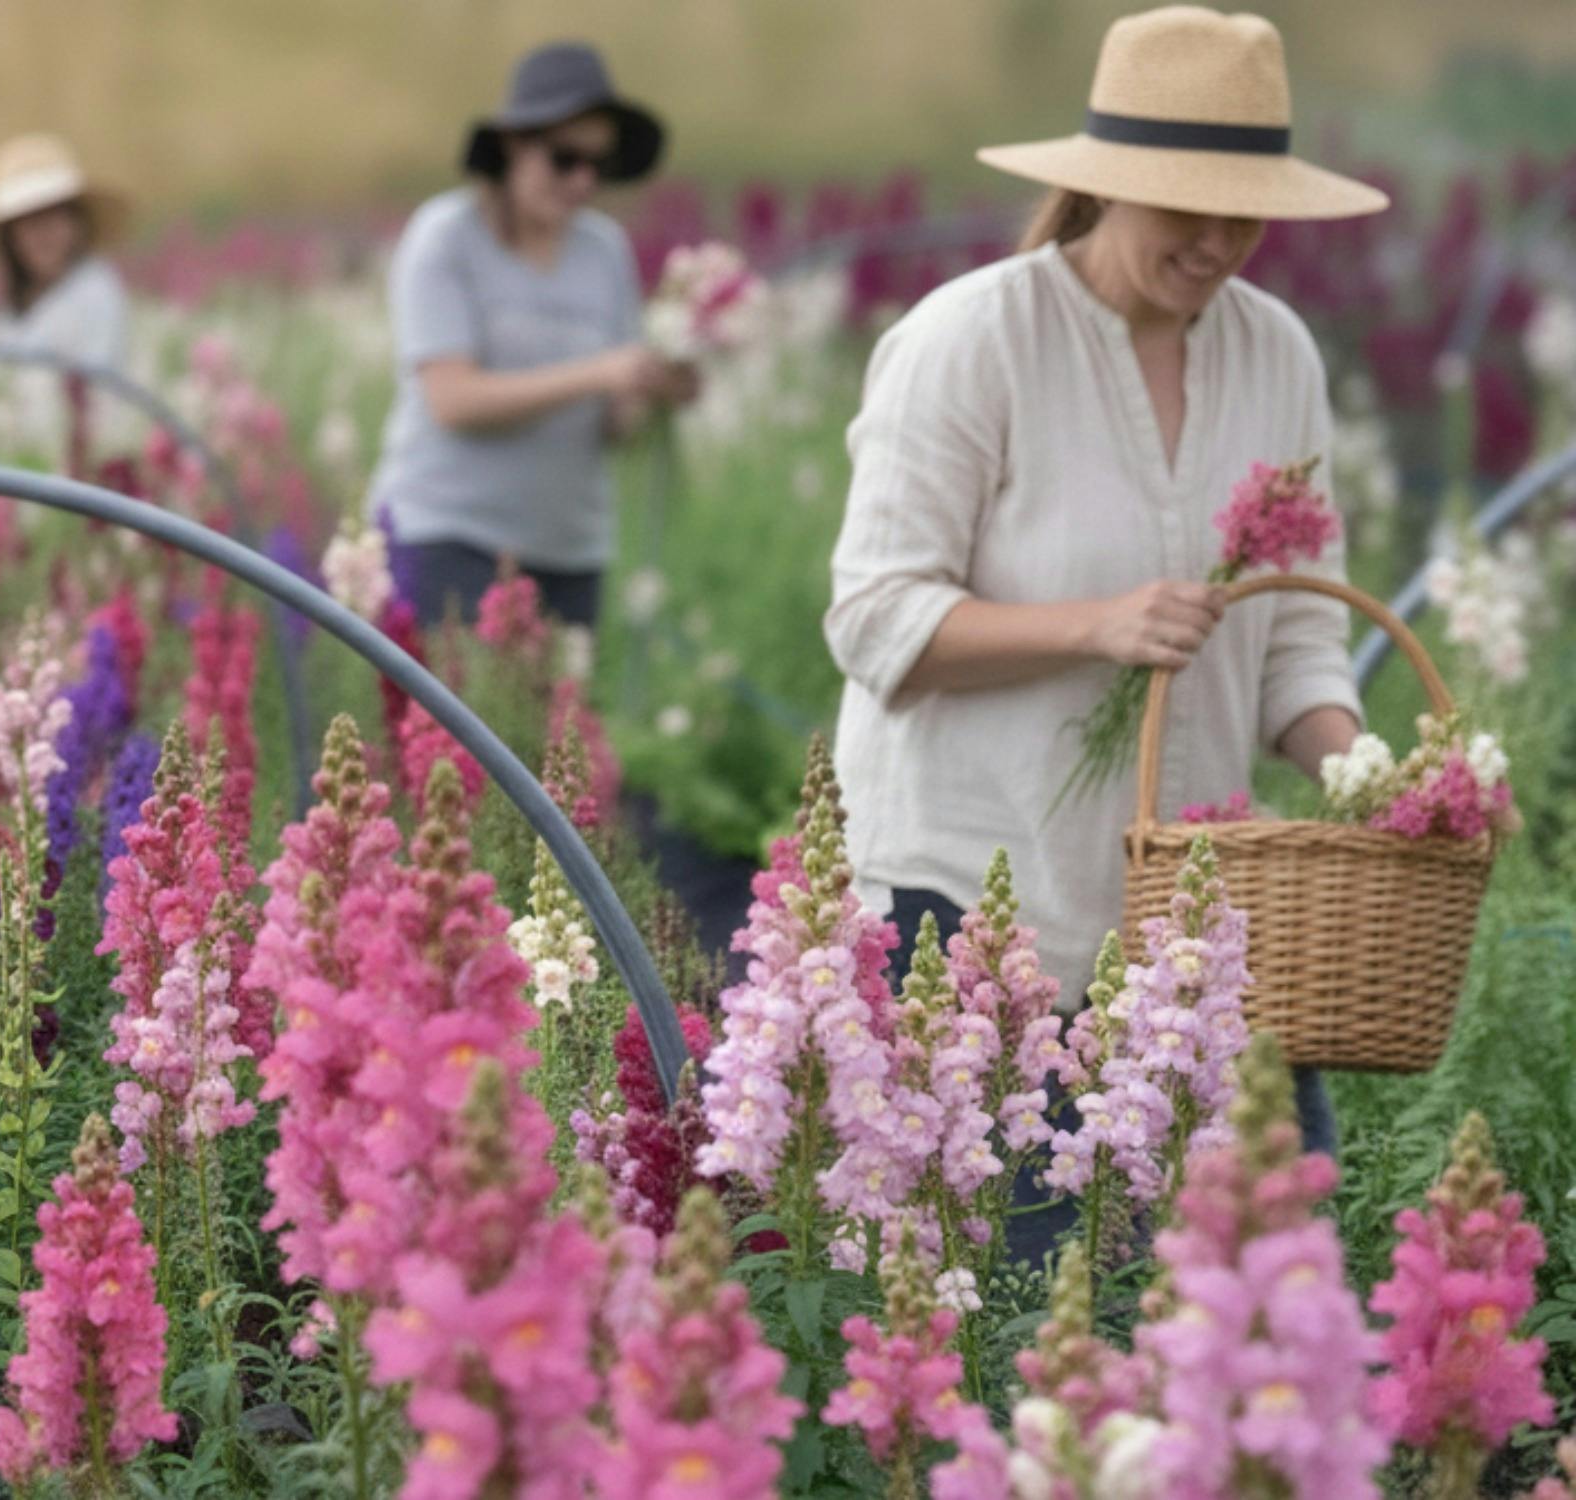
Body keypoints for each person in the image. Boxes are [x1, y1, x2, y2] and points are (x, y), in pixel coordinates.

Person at [824, 6, 1388, 1159]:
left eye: (1249, 213)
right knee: (1028, 1304)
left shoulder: (1274, 352)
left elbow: (1294, 646)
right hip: (975, 911)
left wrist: (1375, 782)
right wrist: (1099, 624)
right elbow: (874, 621)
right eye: (1189, 204)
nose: (1221, 239)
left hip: (1189, 929)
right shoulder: (972, 340)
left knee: (1270, 1281)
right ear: (1109, 184)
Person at [368, 41, 698, 630]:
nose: (582, 181)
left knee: (558, 726)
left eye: (598, 166)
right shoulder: (445, 238)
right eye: (565, 158)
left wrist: (653, 387)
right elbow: (453, 399)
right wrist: (599, 372)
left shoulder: (603, 250)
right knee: (449, 719)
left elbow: (612, 426)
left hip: (569, 552)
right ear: (515, 144)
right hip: (450, 539)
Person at [0, 132, 130, 370]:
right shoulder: (13, 307)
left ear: (77, 221)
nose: (42, 233)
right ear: (10, 237)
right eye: (27, 221)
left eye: (51, 215)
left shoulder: (94, 292)